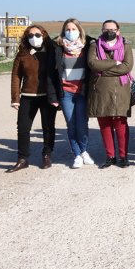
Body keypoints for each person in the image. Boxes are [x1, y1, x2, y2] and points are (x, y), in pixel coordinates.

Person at [6, 25, 57, 172]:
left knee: (48, 127)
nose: (34, 37)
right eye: (30, 35)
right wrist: (15, 98)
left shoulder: (52, 51)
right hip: (28, 97)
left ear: (44, 35)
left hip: (48, 96)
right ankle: (22, 159)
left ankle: (47, 155)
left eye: (37, 34)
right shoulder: (23, 53)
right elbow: (16, 76)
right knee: (22, 128)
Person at [47, 18, 95, 169]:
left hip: (81, 91)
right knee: (71, 124)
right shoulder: (57, 47)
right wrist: (53, 96)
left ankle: (84, 150)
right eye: (68, 29)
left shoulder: (87, 45)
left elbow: (105, 42)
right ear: (63, 31)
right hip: (65, 92)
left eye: (74, 29)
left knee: (82, 124)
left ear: (80, 30)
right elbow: (50, 74)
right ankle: (77, 154)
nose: (70, 32)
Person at [88, 20, 134, 169]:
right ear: (102, 30)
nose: (110, 32)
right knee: (105, 123)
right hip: (100, 89)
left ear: (118, 31)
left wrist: (103, 71)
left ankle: (123, 156)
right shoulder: (94, 45)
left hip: (120, 89)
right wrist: (115, 63)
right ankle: (110, 156)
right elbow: (92, 64)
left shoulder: (126, 45)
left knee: (120, 123)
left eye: (113, 29)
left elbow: (127, 67)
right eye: (107, 29)